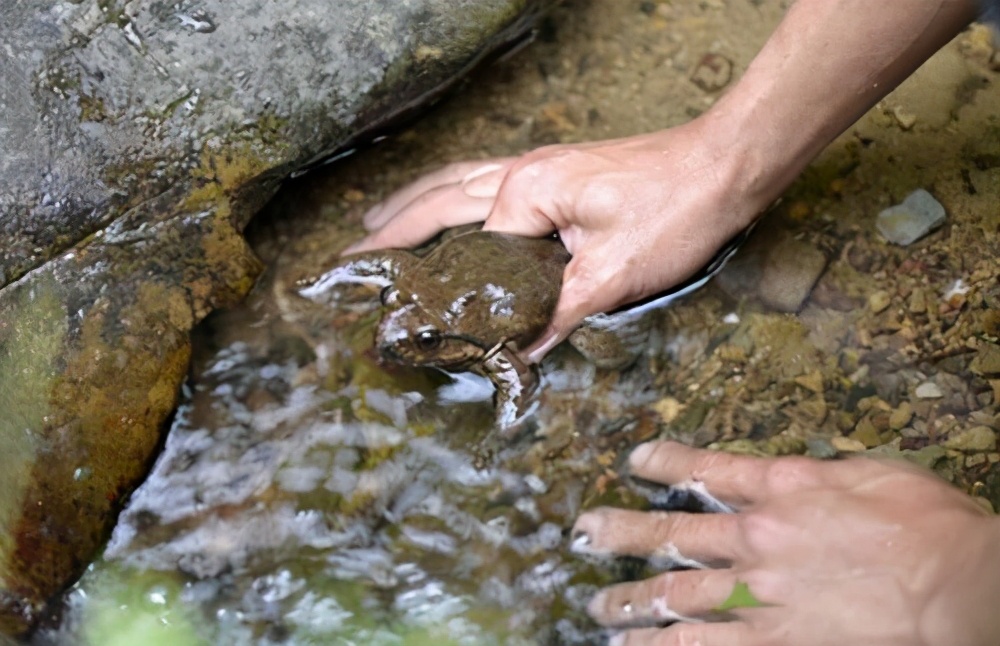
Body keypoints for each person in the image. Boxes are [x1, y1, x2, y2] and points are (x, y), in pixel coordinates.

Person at [348, 0, 1000, 643]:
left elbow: (516, 383)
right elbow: (399, 279)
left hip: (533, 299)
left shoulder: (490, 350)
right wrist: (725, 158)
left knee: (609, 350)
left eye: (426, 339)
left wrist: (947, 589)